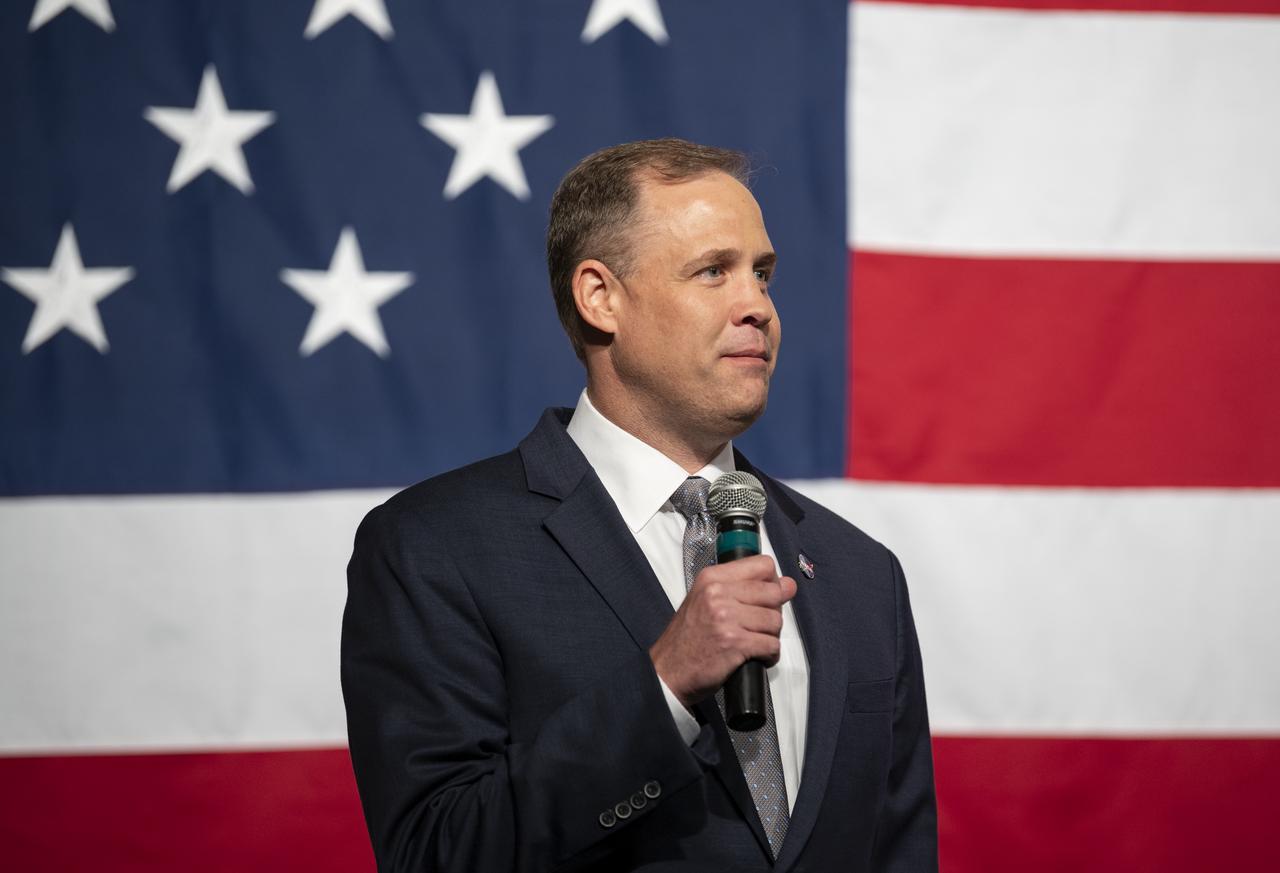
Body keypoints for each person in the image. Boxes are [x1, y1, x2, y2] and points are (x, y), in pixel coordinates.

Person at [341, 139, 937, 872]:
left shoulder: (860, 572)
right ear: (601, 297)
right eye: (713, 271)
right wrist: (664, 686)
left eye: (763, 274)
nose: (758, 306)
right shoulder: (435, 547)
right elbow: (437, 850)